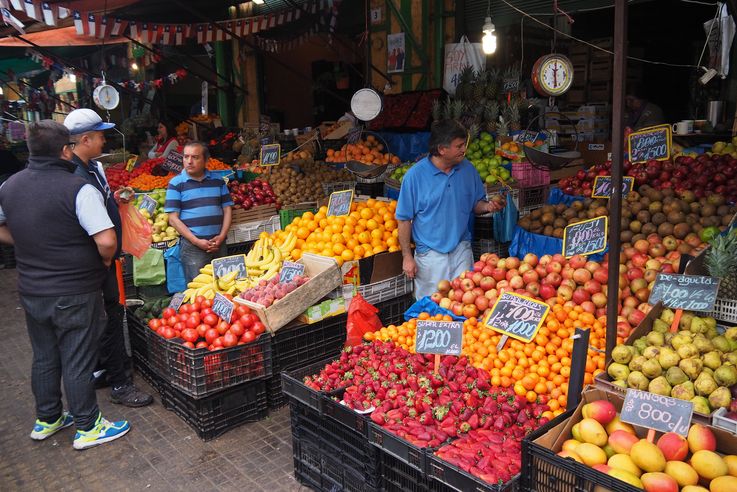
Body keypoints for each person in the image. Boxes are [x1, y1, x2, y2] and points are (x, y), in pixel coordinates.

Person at [0, 120, 130, 449]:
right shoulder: (77, 188)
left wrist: (29, 245)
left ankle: (48, 418)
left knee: (44, 356)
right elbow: (106, 239)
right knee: (77, 357)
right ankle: (87, 426)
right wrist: (102, 262)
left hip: (32, 290)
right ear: (64, 150)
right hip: (74, 290)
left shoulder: (9, 187)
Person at [63, 108, 153, 407]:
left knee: (105, 318)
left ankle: (104, 369)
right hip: (98, 261)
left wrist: (114, 199)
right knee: (113, 317)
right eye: (100, 135)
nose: (104, 140)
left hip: (102, 260)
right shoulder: (75, 175)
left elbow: (96, 208)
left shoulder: (91, 168)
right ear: (85, 139)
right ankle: (120, 384)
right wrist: (107, 257)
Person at [396, 119, 506, 299]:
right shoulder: (414, 177)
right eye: (459, 146)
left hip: (461, 249)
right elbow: (403, 219)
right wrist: (407, 256)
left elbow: (475, 205)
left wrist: (489, 206)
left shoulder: (468, 169)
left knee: (464, 306)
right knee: (431, 310)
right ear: (441, 149)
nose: (464, 150)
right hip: (430, 255)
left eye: (464, 144)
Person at [165, 141, 233, 282]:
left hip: (218, 244)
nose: (189, 161)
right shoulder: (176, 183)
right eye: (186, 157)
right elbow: (173, 219)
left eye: (195, 157)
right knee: (199, 292)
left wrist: (221, 236)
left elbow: (227, 209)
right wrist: (196, 241)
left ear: (206, 160)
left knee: (226, 284)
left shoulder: (218, 181)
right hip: (193, 248)